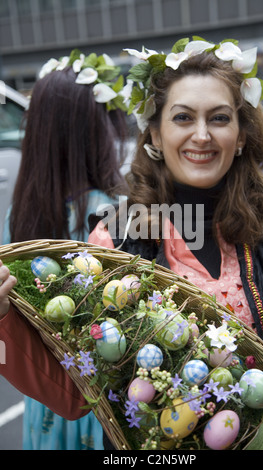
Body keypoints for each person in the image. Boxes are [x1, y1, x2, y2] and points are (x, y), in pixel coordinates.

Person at [0, 36, 263, 444]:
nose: (201, 135)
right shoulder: (117, 238)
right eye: (182, 118)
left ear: (242, 134)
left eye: (219, 118)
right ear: (155, 136)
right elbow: (76, 392)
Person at [1, 49, 129, 450]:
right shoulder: (115, 216)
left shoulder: (15, 218)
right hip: (97, 403)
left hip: (44, 397)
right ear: (96, 131)